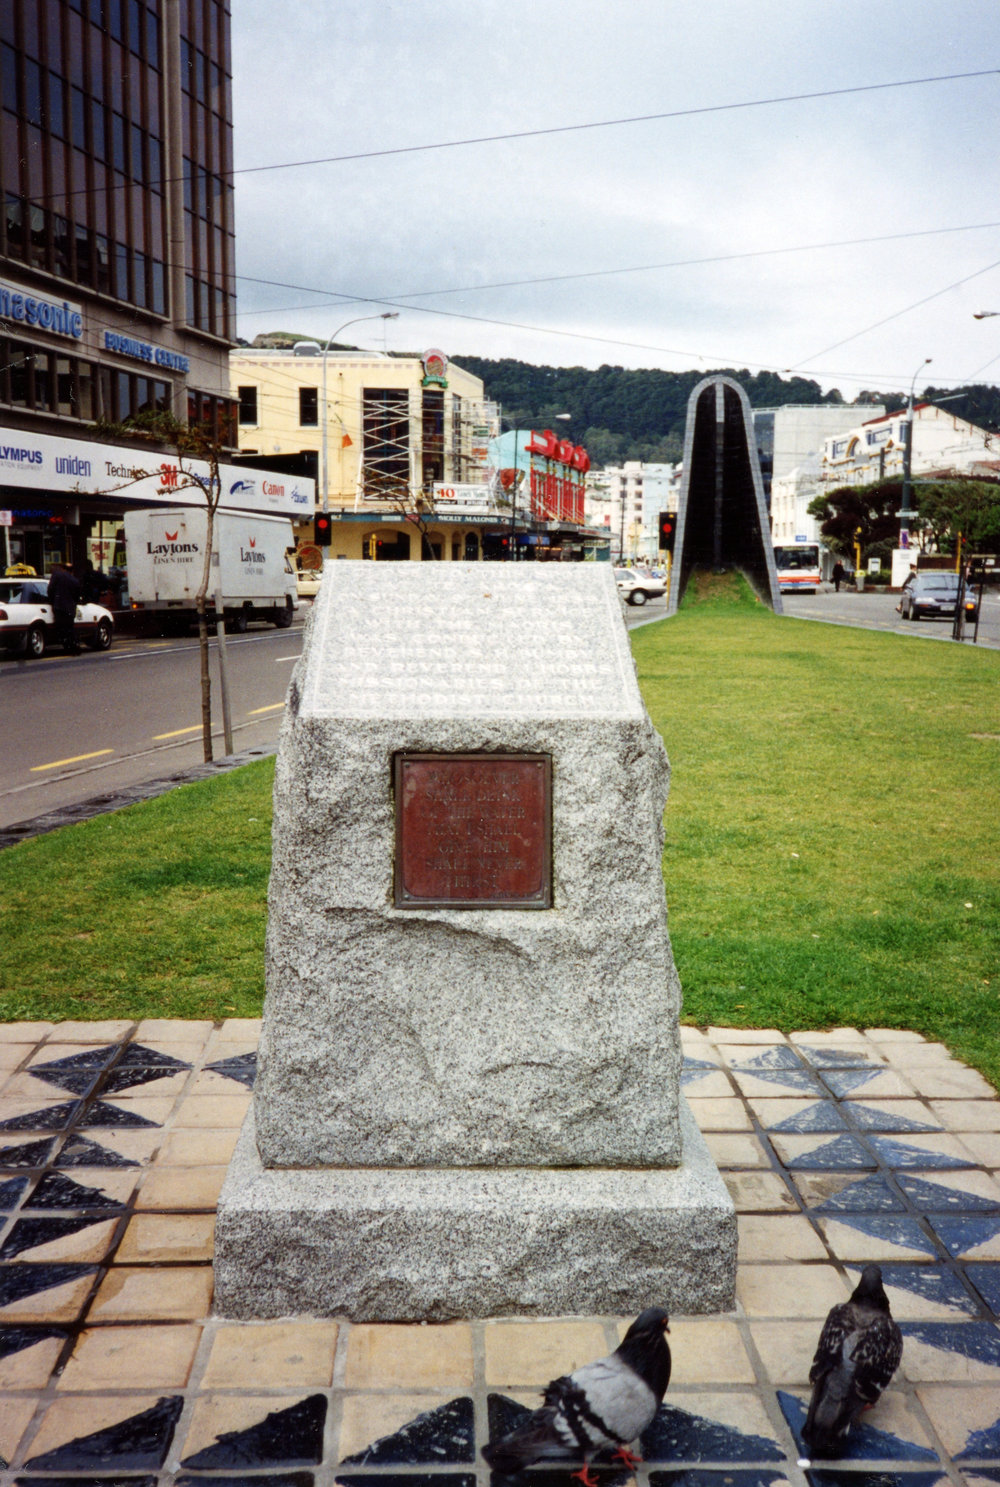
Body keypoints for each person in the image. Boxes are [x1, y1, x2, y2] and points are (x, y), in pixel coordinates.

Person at [48, 562, 82, 654]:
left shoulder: (56, 576)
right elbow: (77, 596)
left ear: (63, 569)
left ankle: (69, 647)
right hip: (70, 608)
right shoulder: (75, 580)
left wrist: (52, 602)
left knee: (61, 628)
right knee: (69, 628)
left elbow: (50, 590)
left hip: (59, 607)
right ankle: (73, 647)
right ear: (72, 571)